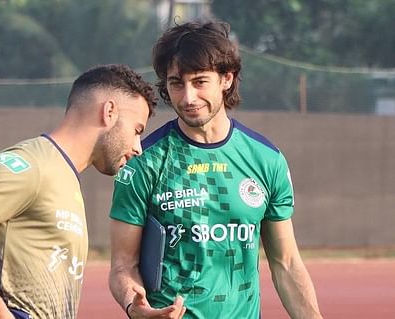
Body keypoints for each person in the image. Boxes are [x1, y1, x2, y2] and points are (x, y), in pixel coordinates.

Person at [108, 20, 323, 319]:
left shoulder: (266, 159)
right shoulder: (143, 163)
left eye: (199, 82)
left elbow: (286, 263)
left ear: (226, 78)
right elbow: (122, 266)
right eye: (176, 83)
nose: (188, 97)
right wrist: (135, 306)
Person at [0, 64, 157, 319]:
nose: (137, 147)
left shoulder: (64, 176)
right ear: (109, 112)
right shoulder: (34, 164)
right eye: (137, 130)